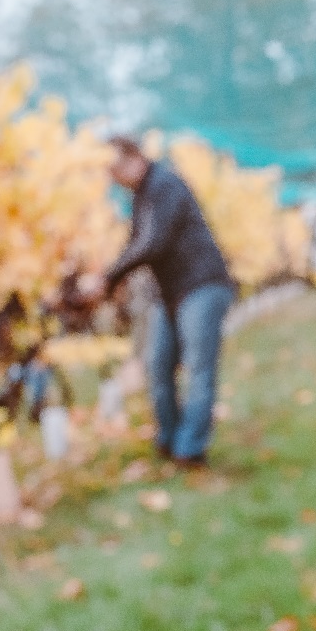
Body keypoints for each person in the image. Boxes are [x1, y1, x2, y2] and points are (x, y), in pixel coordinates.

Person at [102, 136, 236, 468]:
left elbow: (152, 243)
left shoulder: (164, 185)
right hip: (171, 292)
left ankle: (189, 450)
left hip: (202, 285)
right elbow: (136, 244)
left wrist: (109, 278)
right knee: (158, 366)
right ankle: (169, 438)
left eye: (115, 168)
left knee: (198, 368)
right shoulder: (140, 197)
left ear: (134, 158)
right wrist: (109, 279)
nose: (113, 178)